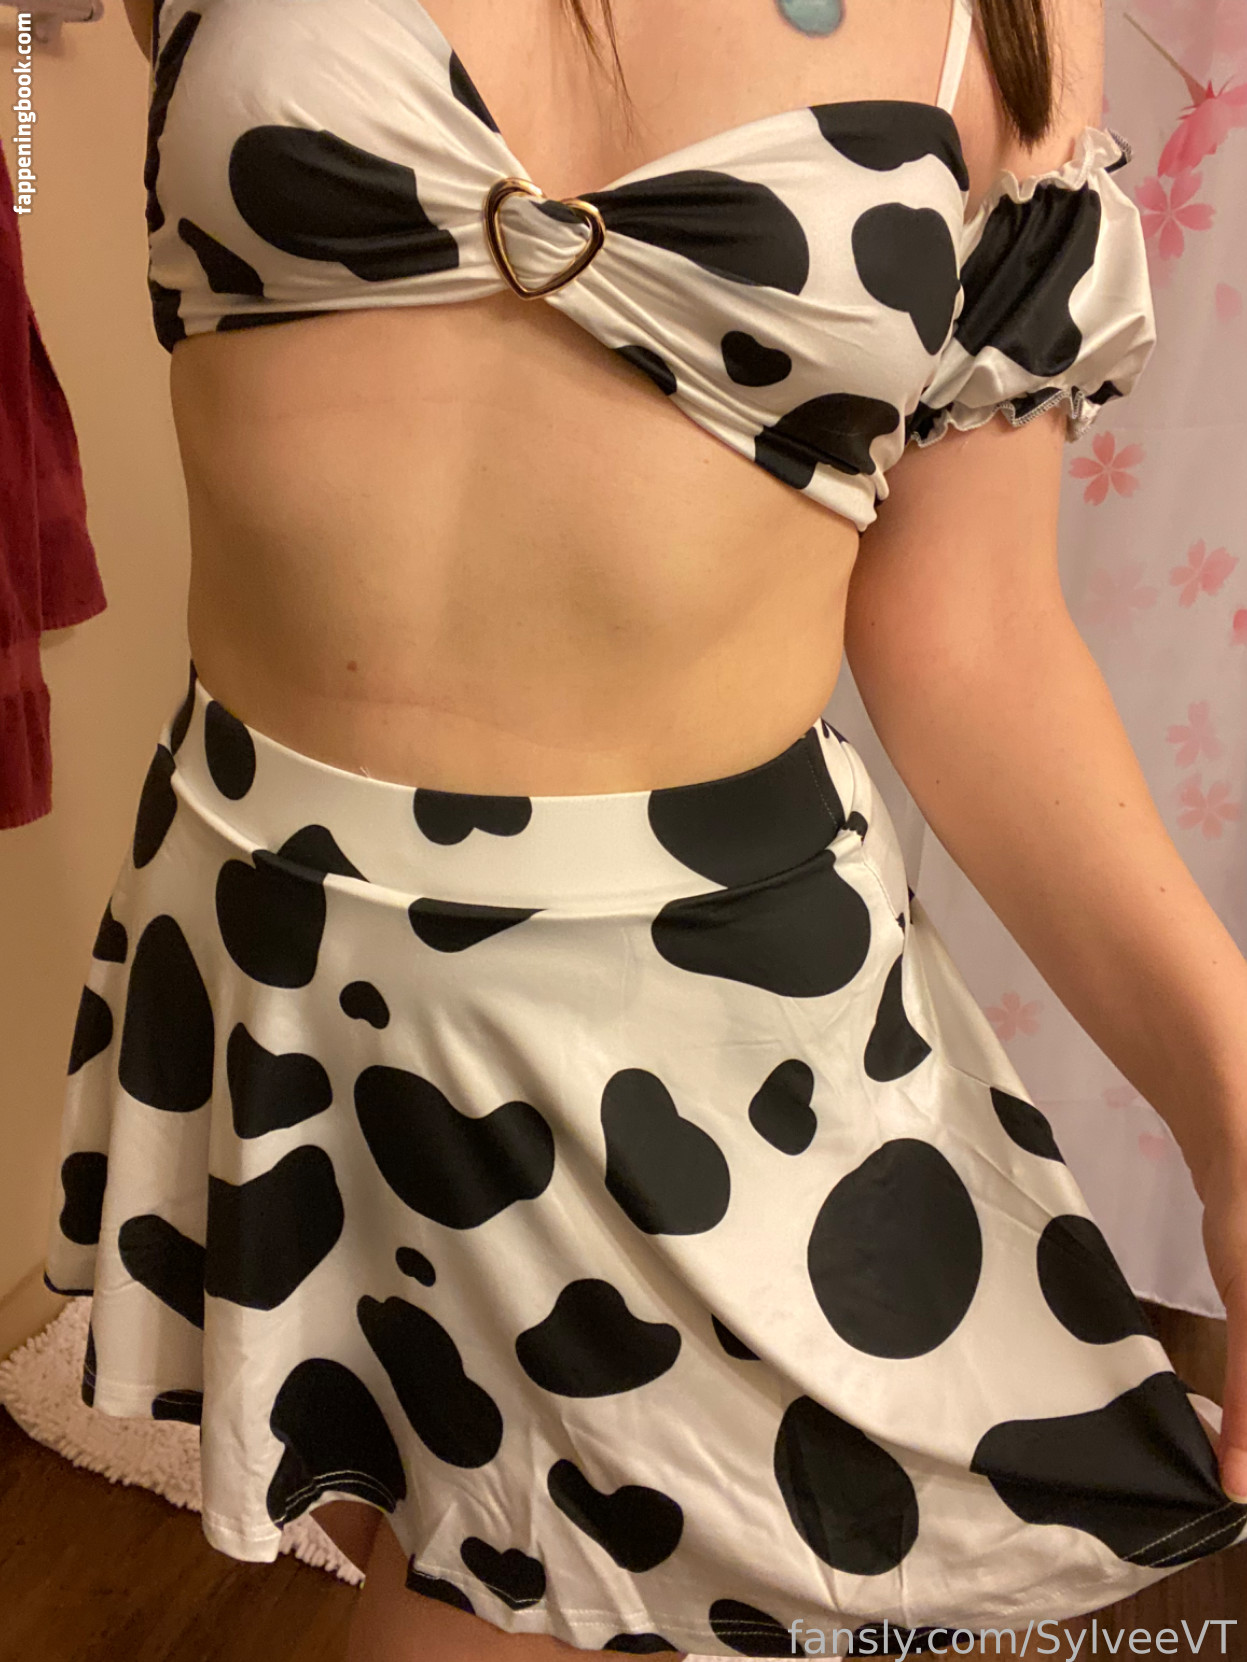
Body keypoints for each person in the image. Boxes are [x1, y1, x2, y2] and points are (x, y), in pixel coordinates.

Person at [43, 0, 1247, 1656]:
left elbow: (973, 634)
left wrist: (1234, 1113)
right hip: (278, 964)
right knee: (422, 1540)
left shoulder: (1006, 23)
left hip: (710, 1043)